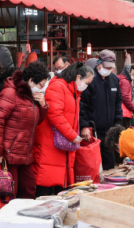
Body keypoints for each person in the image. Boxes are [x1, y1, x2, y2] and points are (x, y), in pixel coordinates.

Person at [0, 61, 49, 199]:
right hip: (9, 152)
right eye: (41, 85)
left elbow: (35, 122)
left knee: (29, 189)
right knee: (10, 192)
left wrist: (43, 106)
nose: (41, 88)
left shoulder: (30, 95)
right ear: (31, 80)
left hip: (25, 151)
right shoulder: (10, 93)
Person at [33, 63, 94, 197]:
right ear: (78, 77)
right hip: (50, 145)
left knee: (61, 192)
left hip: (62, 145)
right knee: (45, 190)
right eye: (87, 82)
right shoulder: (58, 86)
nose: (87, 86)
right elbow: (55, 115)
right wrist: (72, 136)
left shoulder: (74, 92)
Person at [80, 50, 123, 170]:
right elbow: (82, 105)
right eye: (106, 67)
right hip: (93, 131)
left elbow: (118, 103)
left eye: (111, 68)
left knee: (109, 164)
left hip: (109, 130)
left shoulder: (114, 79)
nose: (108, 70)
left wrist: (117, 124)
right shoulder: (90, 79)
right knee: (93, 166)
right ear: (99, 63)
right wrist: (84, 125)